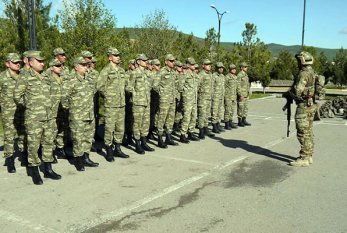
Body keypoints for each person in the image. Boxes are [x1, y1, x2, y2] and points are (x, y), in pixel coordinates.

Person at [14, 51, 61, 185]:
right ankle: (34, 171)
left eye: (43, 61)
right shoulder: (25, 77)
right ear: (30, 62)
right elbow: (17, 96)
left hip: (48, 117)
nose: (42, 63)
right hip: (34, 118)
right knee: (33, 145)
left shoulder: (45, 77)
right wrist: (30, 107)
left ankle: (48, 169)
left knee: (48, 143)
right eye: (39, 61)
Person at [62, 56, 99, 171]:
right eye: (83, 65)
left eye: (87, 65)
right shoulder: (70, 81)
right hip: (77, 115)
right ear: (76, 67)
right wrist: (72, 109)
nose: (86, 68)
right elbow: (64, 98)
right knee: (78, 138)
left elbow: (93, 93)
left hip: (89, 114)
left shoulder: (89, 80)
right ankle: (78, 160)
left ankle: (86, 157)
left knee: (88, 137)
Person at [98, 47, 129, 162]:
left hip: (121, 104)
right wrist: (109, 96)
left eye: (118, 55)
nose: (118, 57)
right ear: (110, 57)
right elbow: (100, 86)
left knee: (120, 128)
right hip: (111, 105)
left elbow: (125, 85)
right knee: (109, 128)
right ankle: (109, 150)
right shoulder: (105, 70)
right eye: (116, 55)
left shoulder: (121, 70)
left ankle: (118, 148)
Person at [287, 51, 317, 167]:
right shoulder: (312, 72)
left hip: (303, 106)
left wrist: (290, 94)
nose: (297, 63)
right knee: (308, 131)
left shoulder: (303, 73)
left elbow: (298, 90)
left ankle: (304, 157)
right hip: (310, 105)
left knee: (302, 132)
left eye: (298, 61)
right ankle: (309, 155)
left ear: (303, 61)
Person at [0, 53, 25, 173]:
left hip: (22, 110)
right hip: (8, 112)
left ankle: (23, 155)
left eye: (19, 62)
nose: (18, 64)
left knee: (23, 134)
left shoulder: (23, 76)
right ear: (7, 63)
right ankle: (9, 159)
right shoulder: (2, 77)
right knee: (9, 136)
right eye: (15, 62)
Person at [127, 54, 154, 154]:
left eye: (146, 60)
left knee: (145, 123)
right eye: (144, 60)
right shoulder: (134, 73)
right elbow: (129, 87)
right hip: (138, 102)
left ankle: (144, 142)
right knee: (137, 123)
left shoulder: (148, 73)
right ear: (138, 62)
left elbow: (151, 85)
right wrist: (136, 94)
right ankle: (137, 144)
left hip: (147, 101)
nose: (146, 61)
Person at [156, 54, 178, 147]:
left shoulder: (173, 73)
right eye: (171, 61)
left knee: (170, 119)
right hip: (164, 100)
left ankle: (168, 137)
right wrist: (162, 94)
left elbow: (175, 86)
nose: (173, 62)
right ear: (166, 62)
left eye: (173, 61)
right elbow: (155, 85)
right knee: (162, 119)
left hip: (172, 99)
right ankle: (160, 139)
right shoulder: (162, 72)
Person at [179, 57, 200, 143]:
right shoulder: (185, 74)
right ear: (187, 65)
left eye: (194, 64)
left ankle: (191, 132)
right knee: (186, 117)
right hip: (188, 99)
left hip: (194, 99)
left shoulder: (194, 75)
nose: (194, 65)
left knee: (193, 116)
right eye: (192, 64)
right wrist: (185, 94)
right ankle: (183, 134)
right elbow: (180, 87)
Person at [197, 59, 215, 139]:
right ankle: (201, 131)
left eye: (210, 64)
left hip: (208, 98)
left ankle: (206, 129)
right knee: (202, 115)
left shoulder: (210, 74)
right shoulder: (201, 74)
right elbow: (197, 86)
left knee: (207, 115)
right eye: (207, 64)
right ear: (203, 65)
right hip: (202, 98)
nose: (209, 66)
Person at [211, 62, 225, 133]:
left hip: (221, 96)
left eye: (222, 68)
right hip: (215, 97)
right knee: (215, 111)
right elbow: (211, 87)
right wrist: (212, 96)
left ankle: (218, 124)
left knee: (220, 111)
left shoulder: (222, 76)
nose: (221, 69)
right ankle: (214, 126)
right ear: (216, 68)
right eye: (219, 68)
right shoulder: (213, 76)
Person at [224, 64, 239, 130]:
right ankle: (226, 124)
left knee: (232, 110)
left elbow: (237, 87)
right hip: (228, 96)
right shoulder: (227, 77)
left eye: (235, 69)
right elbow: (223, 86)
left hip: (234, 96)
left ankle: (230, 122)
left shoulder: (235, 77)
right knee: (227, 110)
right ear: (230, 70)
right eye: (233, 69)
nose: (234, 70)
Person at [237, 62, 251, 127]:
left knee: (245, 108)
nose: (246, 68)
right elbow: (238, 85)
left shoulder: (246, 75)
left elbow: (247, 85)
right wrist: (240, 95)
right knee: (241, 108)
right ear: (241, 68)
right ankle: (239, 121)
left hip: (246, 94)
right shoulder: (240, 75)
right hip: (242, 95)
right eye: (245, 67)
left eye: (246, 67)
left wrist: (249, 92)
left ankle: (244, 120)